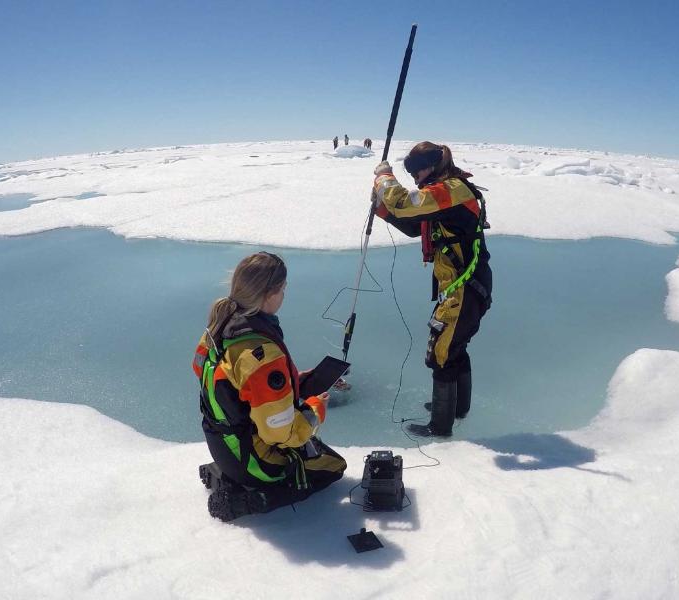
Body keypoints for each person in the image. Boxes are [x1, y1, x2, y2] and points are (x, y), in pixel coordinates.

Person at [193, 252, 347, 520]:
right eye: (283, 290)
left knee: (311, 450)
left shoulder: (219, 327)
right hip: (250, 457)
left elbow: (222, 381)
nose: (284, 297)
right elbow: (280, 433)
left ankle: (230, 476)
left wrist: (290, 385)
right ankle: (250, 500)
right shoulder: (261, 354)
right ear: (270, 294)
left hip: (221, 441)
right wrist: (314, 410)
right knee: (333, 466)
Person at [372, 142, 492, 437]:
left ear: (433, 164)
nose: (414, 176)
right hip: (463, 286)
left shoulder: (451, 189)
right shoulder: (445, 193)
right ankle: (456, 409)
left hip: (465, 287)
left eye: (417, 169)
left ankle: (440, 428)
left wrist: (384, 177)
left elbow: (404, 201)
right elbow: (416, 226)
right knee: (453, 346)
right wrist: (382, 211)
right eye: (408, 171)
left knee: (441, 352)